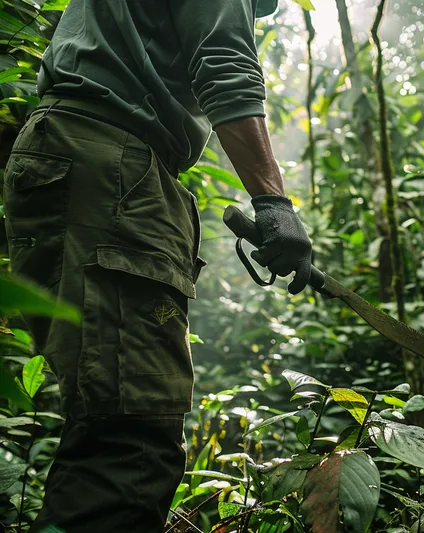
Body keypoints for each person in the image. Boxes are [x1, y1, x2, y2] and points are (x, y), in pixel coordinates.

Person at [2, 1, 313, 531]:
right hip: (112, 162)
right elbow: (223, 63)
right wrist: (274, 203)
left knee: (104, 415)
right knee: (129, 438)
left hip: (63, 155)